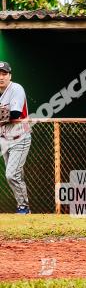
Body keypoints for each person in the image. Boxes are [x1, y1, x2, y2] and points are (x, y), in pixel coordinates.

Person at [0, 61, 31, 213]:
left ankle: (23, 207)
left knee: (11, 174)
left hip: (20, 136)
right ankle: (24, 207)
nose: (1, 77)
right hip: (4, 138)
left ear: (10, 75)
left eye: (4, 73)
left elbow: (14, 114)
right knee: (16, 175)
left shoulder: (16, 88)